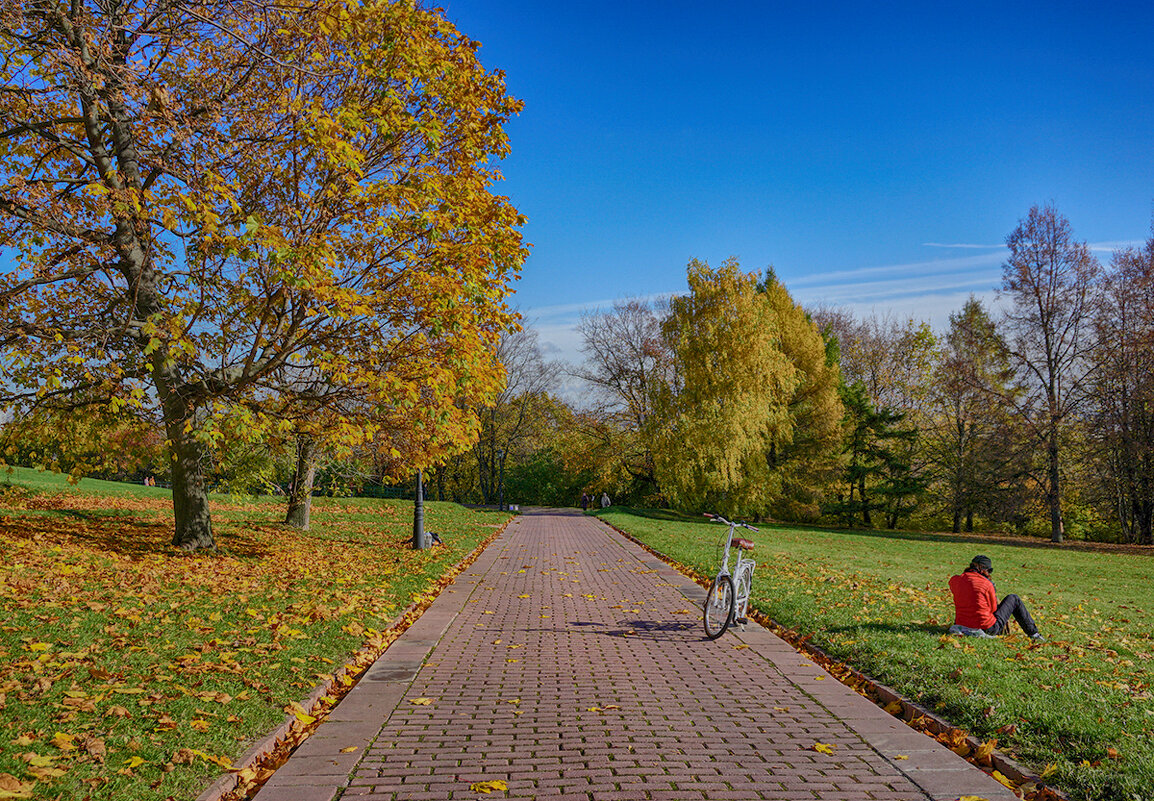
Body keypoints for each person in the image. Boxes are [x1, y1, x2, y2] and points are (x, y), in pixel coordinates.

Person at [948, 555, 1044, 641]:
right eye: (989, 571)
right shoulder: (986, 584)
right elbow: (993, 609)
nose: (990, 574)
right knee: (1013, 598)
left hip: (961, 623)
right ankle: (1033, 633)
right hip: (987, 627)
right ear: (982, 569)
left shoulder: (955, 580)